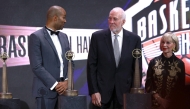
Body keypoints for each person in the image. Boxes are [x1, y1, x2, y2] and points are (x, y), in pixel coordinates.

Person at [87, 7, 142, 109]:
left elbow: (137, 68)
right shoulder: (97, 37)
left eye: (115, 19)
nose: (111, 22)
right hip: (102, 95)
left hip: (125, 94)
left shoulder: (134, 39)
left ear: (123, 21)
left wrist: (135, 92)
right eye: (109, 18)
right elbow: (91, 66)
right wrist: (94, 91)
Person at [29, 5, 70, 109]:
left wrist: (67, 81)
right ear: (55, 18)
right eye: (63, 17)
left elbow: (70, 62)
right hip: (45, 91)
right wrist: (55, 85)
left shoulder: (64, 37)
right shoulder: (36, 37)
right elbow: (37, 66)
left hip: (64, 92)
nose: (65, 21)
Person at [145, 32, 186, 109]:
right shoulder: (153, 62)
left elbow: (181, 88)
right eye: (162, 42)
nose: (164, 45)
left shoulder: (180, 64)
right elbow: (148, 85)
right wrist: (160, 100)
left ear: (174, 44)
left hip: (174, 105)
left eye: (168, 43)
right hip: (155, 104)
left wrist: (169, 102)